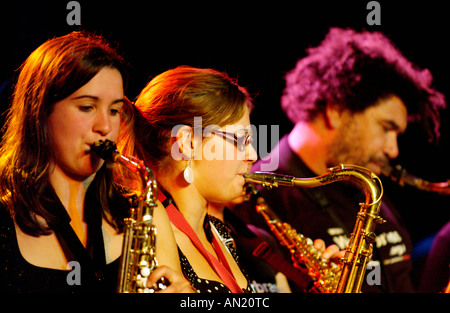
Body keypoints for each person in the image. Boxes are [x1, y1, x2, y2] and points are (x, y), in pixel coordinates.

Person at [232, 27, 446, 293]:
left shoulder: (368, 189)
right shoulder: (252, 199)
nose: (393, 151)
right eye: (386, 127)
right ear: (337, 110)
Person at [122, 65, 343, 293]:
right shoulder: (148, 237)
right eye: (241, 140)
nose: (253, 155)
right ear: (187, 143)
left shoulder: (220, 232)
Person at [0, 31, 191, 293]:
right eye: (87, 107)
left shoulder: (142, 211)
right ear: (40, 111)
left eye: (114, 111)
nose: (105, 127)